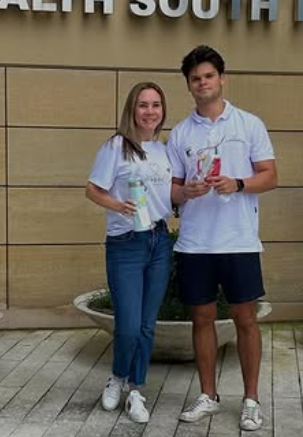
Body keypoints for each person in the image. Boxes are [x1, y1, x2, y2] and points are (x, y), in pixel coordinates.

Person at [167, 45, 278, 431]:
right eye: (195, 79)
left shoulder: (249, 124)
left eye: (208, 76)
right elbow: (172, 190)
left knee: (246, 319)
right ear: (189, 86)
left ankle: (250, 400)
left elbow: (270, 175)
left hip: (239, 241)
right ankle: (208, 396)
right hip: (196, 243)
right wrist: (185, 193)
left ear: (222, 79)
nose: (202, 83)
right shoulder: (180, 133)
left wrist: (239, 183)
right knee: (202, 319)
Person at [86, 82, 173, 424]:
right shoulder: (116, 146)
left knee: (148, 325)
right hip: (126, 244)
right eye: (143, 105)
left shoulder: (165, 151)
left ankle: (136, 389)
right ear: (131, 110)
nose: (150, 111)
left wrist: (189, 193)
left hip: (159, 241)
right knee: (128, 326)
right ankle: (117, 377)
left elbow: (170, 194)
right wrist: (117, 205)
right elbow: (92, 190)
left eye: (156, 105)